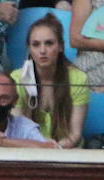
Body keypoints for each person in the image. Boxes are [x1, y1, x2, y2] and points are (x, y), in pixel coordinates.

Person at [10, 13, 89, 148]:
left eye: (49, 43)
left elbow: (75, 134)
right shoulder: (17, 78)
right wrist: (42, 147)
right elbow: (19, 130)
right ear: (29, 49)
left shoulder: (79, 78)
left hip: (68, 151)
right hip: (30, 149)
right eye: (35, 44)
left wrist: (57, 148)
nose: (42, 50)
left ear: (60, 47)